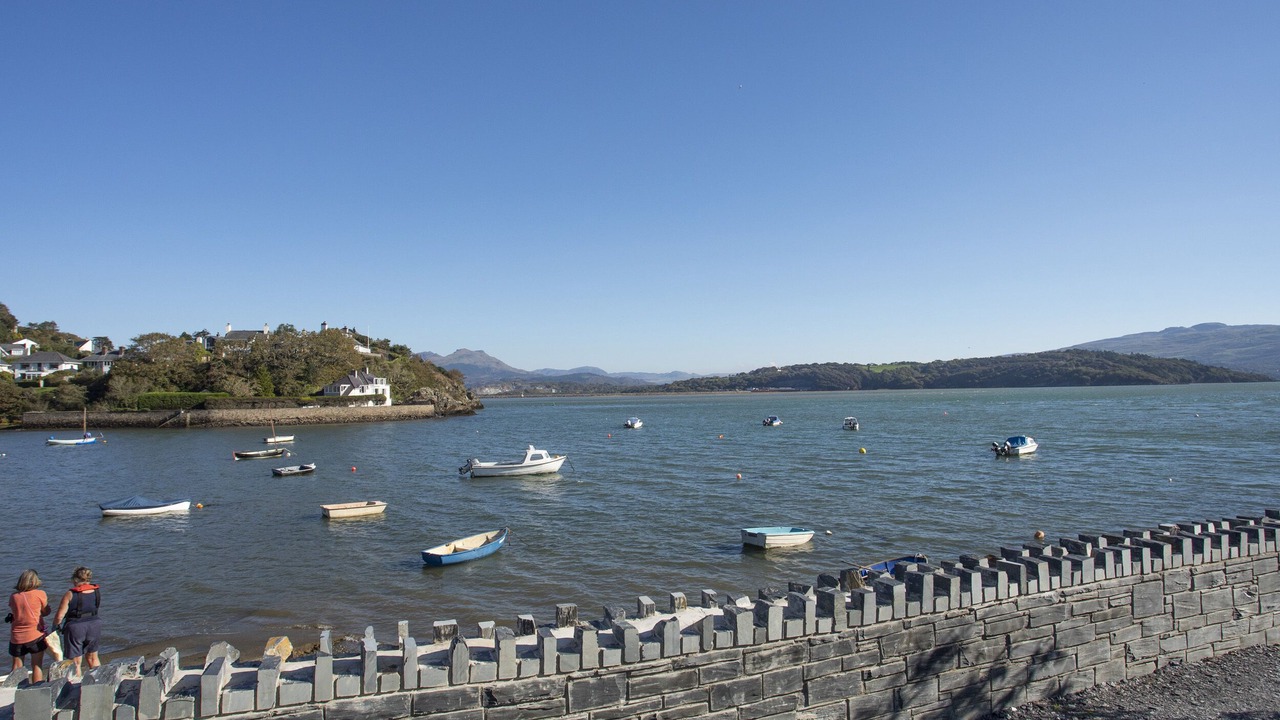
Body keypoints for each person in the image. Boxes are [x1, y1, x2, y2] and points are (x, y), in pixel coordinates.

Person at [54, 567, 101, 674]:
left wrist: (55, 627)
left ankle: (76, 686)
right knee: (93, 657)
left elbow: (59, 616)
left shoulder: (70, 594)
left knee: (75, 662)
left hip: (76, 627)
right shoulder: (96, 591)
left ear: (75, 579)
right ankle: (99, 680)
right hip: (95, 624)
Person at [8, 569, 51, 684]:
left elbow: (16, 612)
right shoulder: (40, 594)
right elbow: (46, 611)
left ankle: (15, 691)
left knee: (17, 667)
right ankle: (36, 690)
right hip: (35, 635)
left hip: (17, 636)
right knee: (37, 665)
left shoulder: (14, 597)